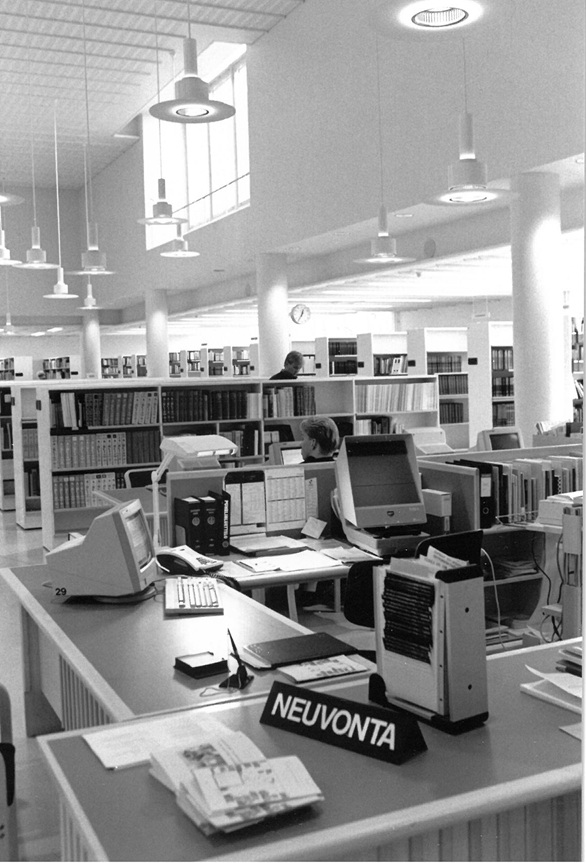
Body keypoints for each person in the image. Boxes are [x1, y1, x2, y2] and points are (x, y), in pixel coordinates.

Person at [296, 416, 340, 609]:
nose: (301, 443)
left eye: (303, 438)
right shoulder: (342, 468)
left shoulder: (300, 472)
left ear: (313, 443)